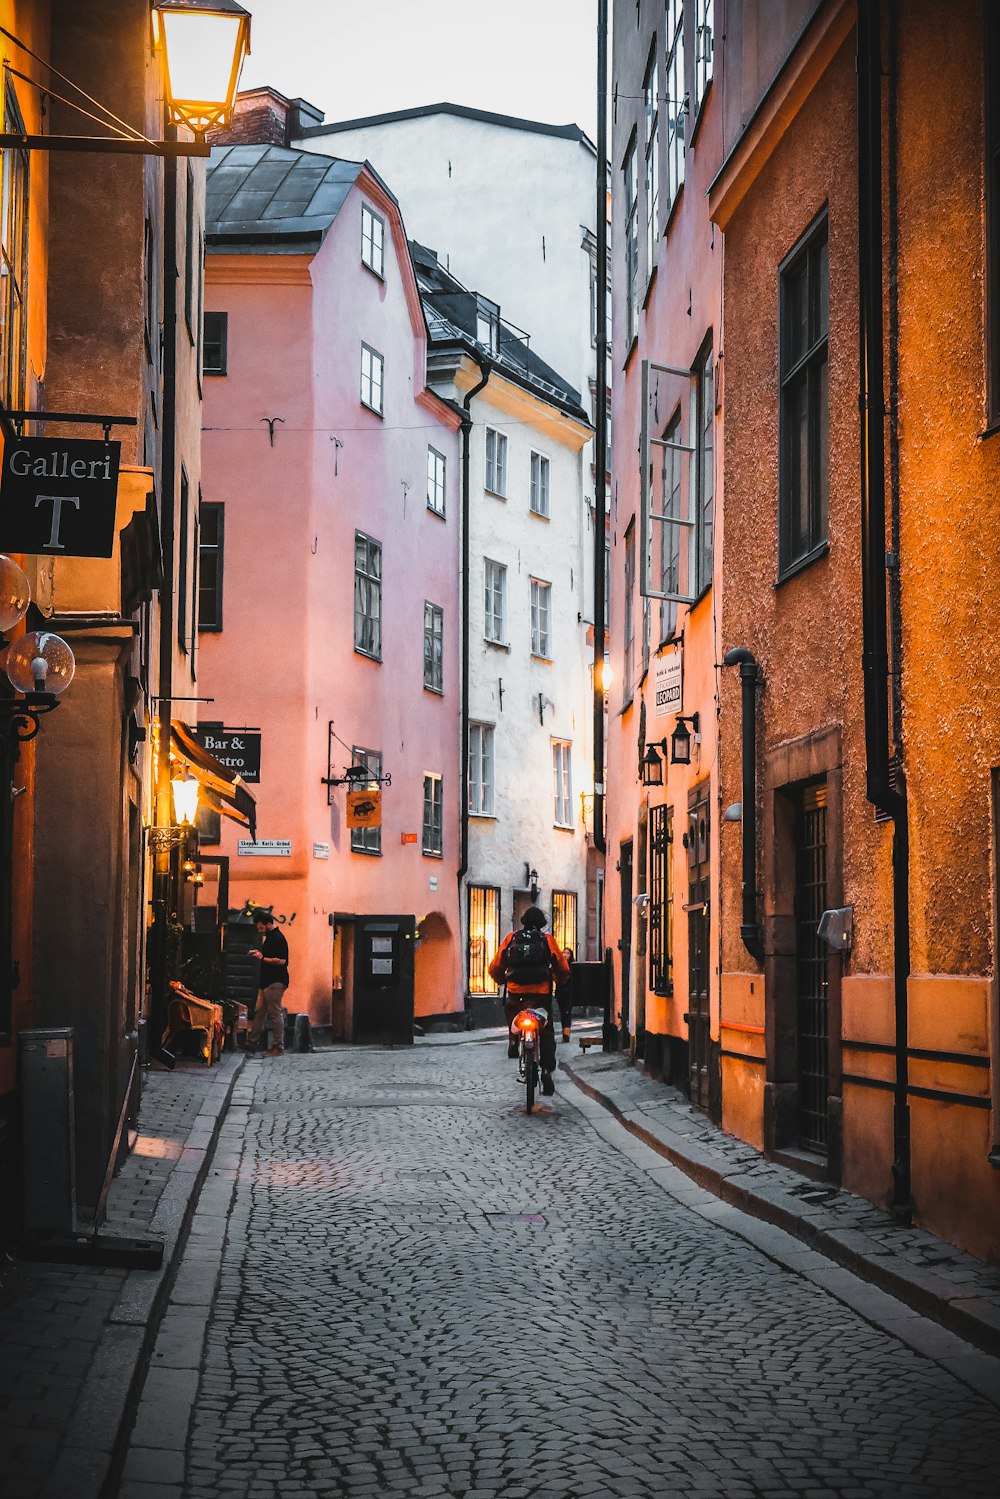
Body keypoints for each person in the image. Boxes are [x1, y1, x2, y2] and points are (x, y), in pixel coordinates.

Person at [489, 906, 569, 1096]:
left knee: (511, 1012)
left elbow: (495, 965)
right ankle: (547, 1070)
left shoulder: (511, 938)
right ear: (542, 923)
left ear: (523, 921)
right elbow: (563, 968)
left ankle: (513, 1039)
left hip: (516, 992)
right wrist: (560, 979)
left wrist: (502, 980)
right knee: (547, 1031)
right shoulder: (547, 940)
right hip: (541, 995)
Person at [247, 908, 290, 1056]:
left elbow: (282, 961)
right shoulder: (270, 937)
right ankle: (252, 1043)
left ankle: (278, 1046)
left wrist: (262, 958)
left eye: (260, 927)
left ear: (268, 924)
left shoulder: (278, 938)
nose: (259, 930)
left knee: (275, 1013)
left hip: (275, 982)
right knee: (259, 1012)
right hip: (266, 982)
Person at [556, 947, 575, 1043]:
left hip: (569, 993)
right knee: (562, 1012)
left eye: (567, 953)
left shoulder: (572, 966)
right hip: (560, 992)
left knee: (567, 1013)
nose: (565, 955)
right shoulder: (559, 966)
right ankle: (564, 1031)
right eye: (564, 953)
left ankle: (566, 1033)